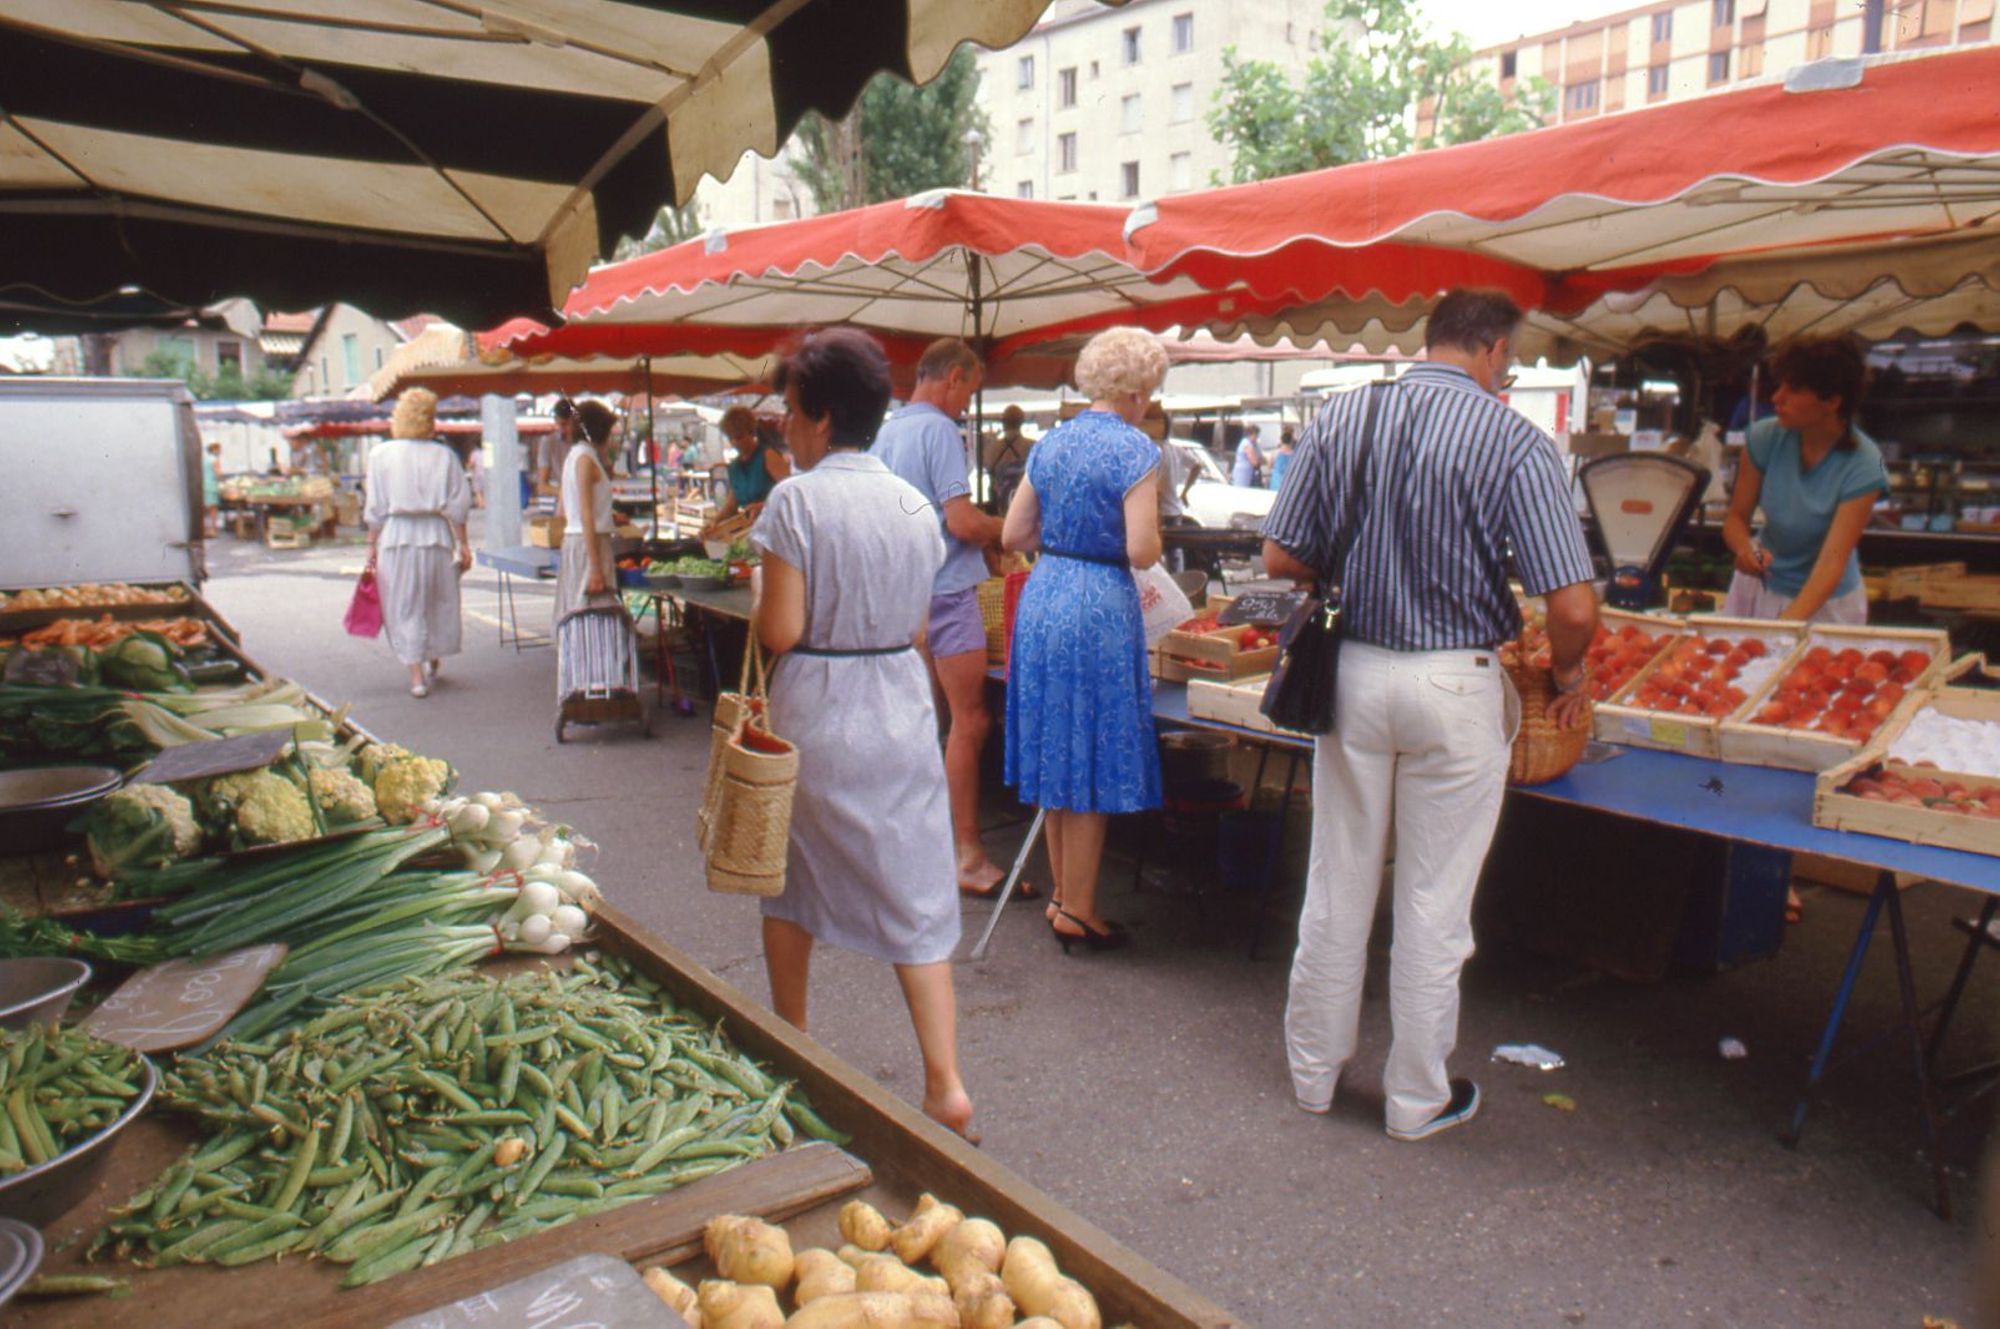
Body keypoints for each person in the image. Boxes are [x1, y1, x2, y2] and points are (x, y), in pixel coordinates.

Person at [1262, 288, 1598, 1141]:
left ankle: (1311, 1074)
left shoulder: (1343, 420)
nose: (1508, 372)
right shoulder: (1517, 441)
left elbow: (1280, 553)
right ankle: (1416, 1099)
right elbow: (1575, 607)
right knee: (1434, 901)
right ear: (1489, 350)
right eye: (1509, 359)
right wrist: (1566, 669)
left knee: (1338, 880)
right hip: (1457, 682)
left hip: (1355, 672)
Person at [751, 327, 976, 1141]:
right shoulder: (917, 506)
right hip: (900, 703)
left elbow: (780, 629)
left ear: (818, 415)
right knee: (916, 889)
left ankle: (792, 1045)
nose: (782, 423)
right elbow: (918, 627)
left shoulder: (795, 501)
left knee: (793, 882)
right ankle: (946, 1084)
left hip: (819, 705)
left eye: (788, 409)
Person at [1002, 327, 1167, 952]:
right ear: (1138, 390)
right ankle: (1081, 908)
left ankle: (1061, 898)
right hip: (1099, 602)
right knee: (1092, 754)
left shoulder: (1051, 443)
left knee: (1055, 747)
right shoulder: (1136, 451)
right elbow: (1141, 548)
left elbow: (1013, 536)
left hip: (1046, 595)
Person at [872, 338, 1015, 898]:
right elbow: (958, 521)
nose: (965, 404)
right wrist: (1007, 527)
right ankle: (968, 854)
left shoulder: (887, 431)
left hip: (903, 594)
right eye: (968, 392)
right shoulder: (938, 430)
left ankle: (913, 846)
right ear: (953, 377)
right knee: (970, 720)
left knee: (919, 720)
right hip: (948, 592)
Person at [1721, 338, 1888, 625]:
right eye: (1781, 384)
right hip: (1761, 588)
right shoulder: (1764, 437)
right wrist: (1746, 550)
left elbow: (1831, 562)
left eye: (1794, 389)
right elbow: (1736, 517)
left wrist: (1784, 626)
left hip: (1826, 602)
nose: (1776, 397)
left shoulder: (1864, 463)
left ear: (1832, 402)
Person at [364, 388, 473, 699]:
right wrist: (463, 545)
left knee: (404, 604)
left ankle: (416, 676)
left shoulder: (381, 455)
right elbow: (458, 505)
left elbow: (376, 508)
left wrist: (370, 547)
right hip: (436, 535)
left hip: (397, 536)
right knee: (437, 599)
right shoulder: (445, 456)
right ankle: (433, 657)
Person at [552, 400, 621, 631]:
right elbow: (586, 515)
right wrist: (595, 568)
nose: (611, 439)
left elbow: (564, 509)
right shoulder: (585, 460)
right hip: (589, 546)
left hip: (577, 543)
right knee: (595, 618)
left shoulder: (575, 456)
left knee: (581, 617)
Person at [703, 405, 790, 536]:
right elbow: (731, 506)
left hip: (775, 530)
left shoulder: (768, 455)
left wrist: (763, 506)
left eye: (739, 437)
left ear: (751, 432)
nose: (734, 442)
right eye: (730, 438)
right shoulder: (734, 467)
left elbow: (790, 493)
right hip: (750, 533)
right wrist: (714, 522)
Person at [1232, 423, 1264, 488]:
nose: (1257, 436)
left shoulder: (1255, 444)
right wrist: (1258, 460)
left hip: (1251, 473)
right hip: (1243, 473)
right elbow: (1255, 462)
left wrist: (1259, 460)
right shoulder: (1246, 443)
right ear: (1250, 434)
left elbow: (1262, 459)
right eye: (1256, 434)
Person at [201, 441, 223, 537]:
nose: (220, 451)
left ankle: (205, 529)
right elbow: (218, 474)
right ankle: (213, 529)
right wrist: (222, 479)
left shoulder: (204, 460)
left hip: (203, 484)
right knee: (213, 508)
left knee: (205, 508)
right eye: (219, 449)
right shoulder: (214, 460)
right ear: (214, 449)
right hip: (211, 485)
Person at [1269, 427, 1297, 491]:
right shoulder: (1295, 454)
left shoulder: (1275, 452)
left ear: (1281, 440)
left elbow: (1269, 466)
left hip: (1276, 483)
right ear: (1291, 441)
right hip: (1289, 485)